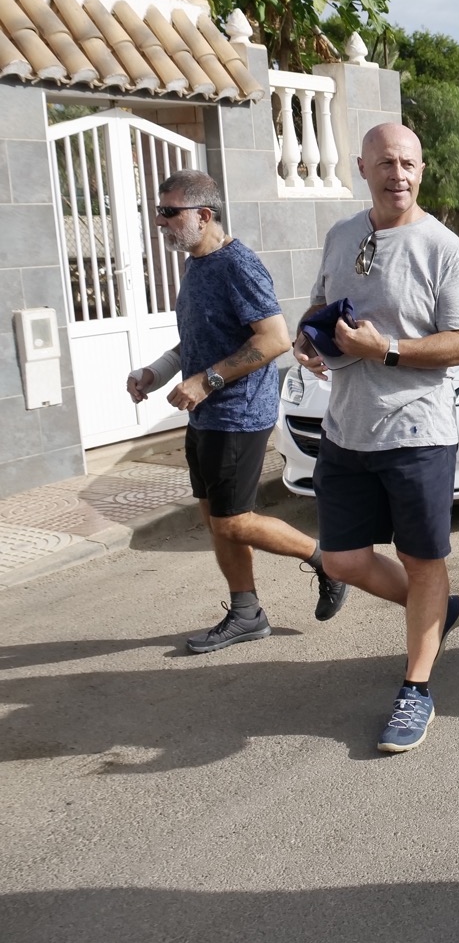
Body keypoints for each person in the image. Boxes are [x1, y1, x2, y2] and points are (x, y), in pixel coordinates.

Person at [292, 123, 459, 753]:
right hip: (346, 430)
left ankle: (416, 688)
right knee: (341, 559)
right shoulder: (342, 235)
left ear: (421, 170)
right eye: (384, 163)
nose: (396, 174)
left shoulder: (445, 250)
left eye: (407, 164)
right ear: (362, 168)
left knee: (423, 561)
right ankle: (435, 609)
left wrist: (388, 349)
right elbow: (319, 306)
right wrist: (307, 340)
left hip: (417, 432)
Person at [127, 170, 346, 653]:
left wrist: (206, 381)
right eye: (158, 212)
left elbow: (274, 339)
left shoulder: (237, 266)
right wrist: (155, 372)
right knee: (216, 519)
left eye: (169, 212)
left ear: (204, 215)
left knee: (233, 522)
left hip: (238, 414)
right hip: (205, 415)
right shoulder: (197, 265)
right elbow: (199, 340)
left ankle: (327, 561)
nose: (160, 222)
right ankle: (247, 613)